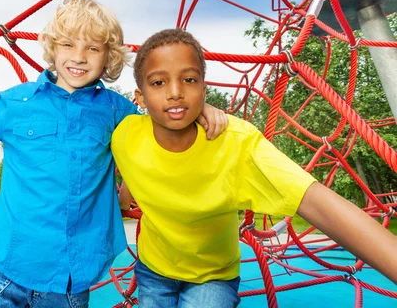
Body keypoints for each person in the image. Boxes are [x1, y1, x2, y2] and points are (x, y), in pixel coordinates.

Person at [0, 0, 228, 308]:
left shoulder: (116, 111)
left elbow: (157, 133)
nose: (79, 57)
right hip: (2, 269)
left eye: (92, 48)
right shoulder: (18, 102)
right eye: (68, 45)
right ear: (53, 47)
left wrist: (200, 109)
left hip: (69, 282)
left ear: (107, 58)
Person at [112, 28, 397, 308]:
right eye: (158, 83)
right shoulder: (125, 134)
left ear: (204, 89)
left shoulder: (236, 144)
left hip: (212, 277)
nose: (175, 92)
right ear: (139, 97)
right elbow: (133, 162)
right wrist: (124, 200)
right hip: (153, 270)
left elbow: (315, 201)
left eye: (188, 79)